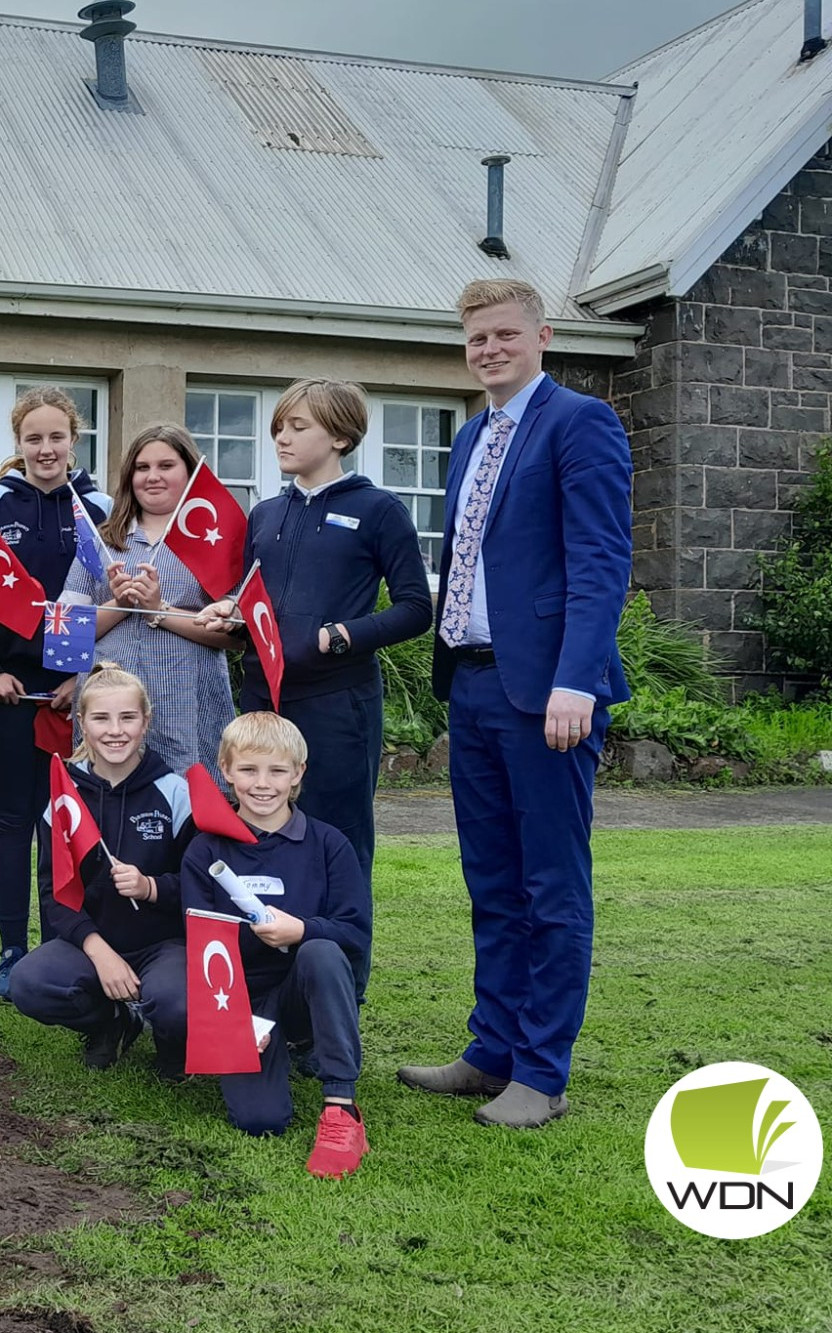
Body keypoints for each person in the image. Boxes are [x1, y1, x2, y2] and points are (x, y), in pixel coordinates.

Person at [396, 279, 632, 1130]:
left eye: (503, 334)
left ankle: (541, 1070)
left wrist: (578, 677)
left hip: (551, 692)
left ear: (542, 334)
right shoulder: (471, 437)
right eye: (476, 339)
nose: (489, 349)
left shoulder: (580, 422)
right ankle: (489, 1049)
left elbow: (601, 560)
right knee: (490, 878)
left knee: (550, 886)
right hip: (476, 680)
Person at [194, 381, 430, 884]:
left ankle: (339, 962)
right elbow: (251, 601)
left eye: (298, 427)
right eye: (279, 427)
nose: (282, 437)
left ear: (340, 437)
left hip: (337, 704)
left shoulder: (380, 510)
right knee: (258, 838)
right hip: (262, 701)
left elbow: (415, 609)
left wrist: (341, 635)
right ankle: (270, 961)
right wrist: (230, 612)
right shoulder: (265, 514)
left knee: (337, 845)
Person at [0, 387, 111, 1004]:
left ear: (75, 439)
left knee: (71, 824)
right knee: (15, 818)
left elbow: (109, 596)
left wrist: (87, 675)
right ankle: (13, 950)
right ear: (17, 444)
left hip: (81, 694)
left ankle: (65, 945)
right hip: (10, 694)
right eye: (33, 438)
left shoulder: (99, 507)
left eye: (57, 437)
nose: (46, 449)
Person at [180, 713, 372, 1180]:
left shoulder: (330, 845)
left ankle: (341, 1109)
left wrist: (300, 930)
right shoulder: (205, 851)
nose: (262, 784)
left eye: (277, 771)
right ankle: (270, 1051)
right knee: (260, 1121)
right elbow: (203, 951)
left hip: (306, 990)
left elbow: (354, 935)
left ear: (299, 774)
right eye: (248, 770)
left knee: (321, 950)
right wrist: (235, 1021)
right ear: (225, 770)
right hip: (242, 1002)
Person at [8, 664, 197, 1076]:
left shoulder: (177, 793)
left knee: (177, 1004)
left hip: (164, 945)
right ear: (82, 724)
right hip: (91, 943)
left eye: (128, 717)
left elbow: (199, 890)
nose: (115, 730)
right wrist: (100, 952)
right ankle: (112, 1022)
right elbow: (53, 893)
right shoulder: (63, 797)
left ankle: (171, 1035)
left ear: (146, 722)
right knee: (28, 984)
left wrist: (150, 888)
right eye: (101, 718)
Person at [62, 425, 236, 776]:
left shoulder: (217, 541)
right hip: (111, 713)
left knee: (189, 812)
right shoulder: (100, 542)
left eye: (165, 466)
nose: (152, 477)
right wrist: (118, 602)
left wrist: (159, 610)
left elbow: (235, 637)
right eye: (142, 468)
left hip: (188, 705)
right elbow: (65, 638)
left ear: (190, 471)